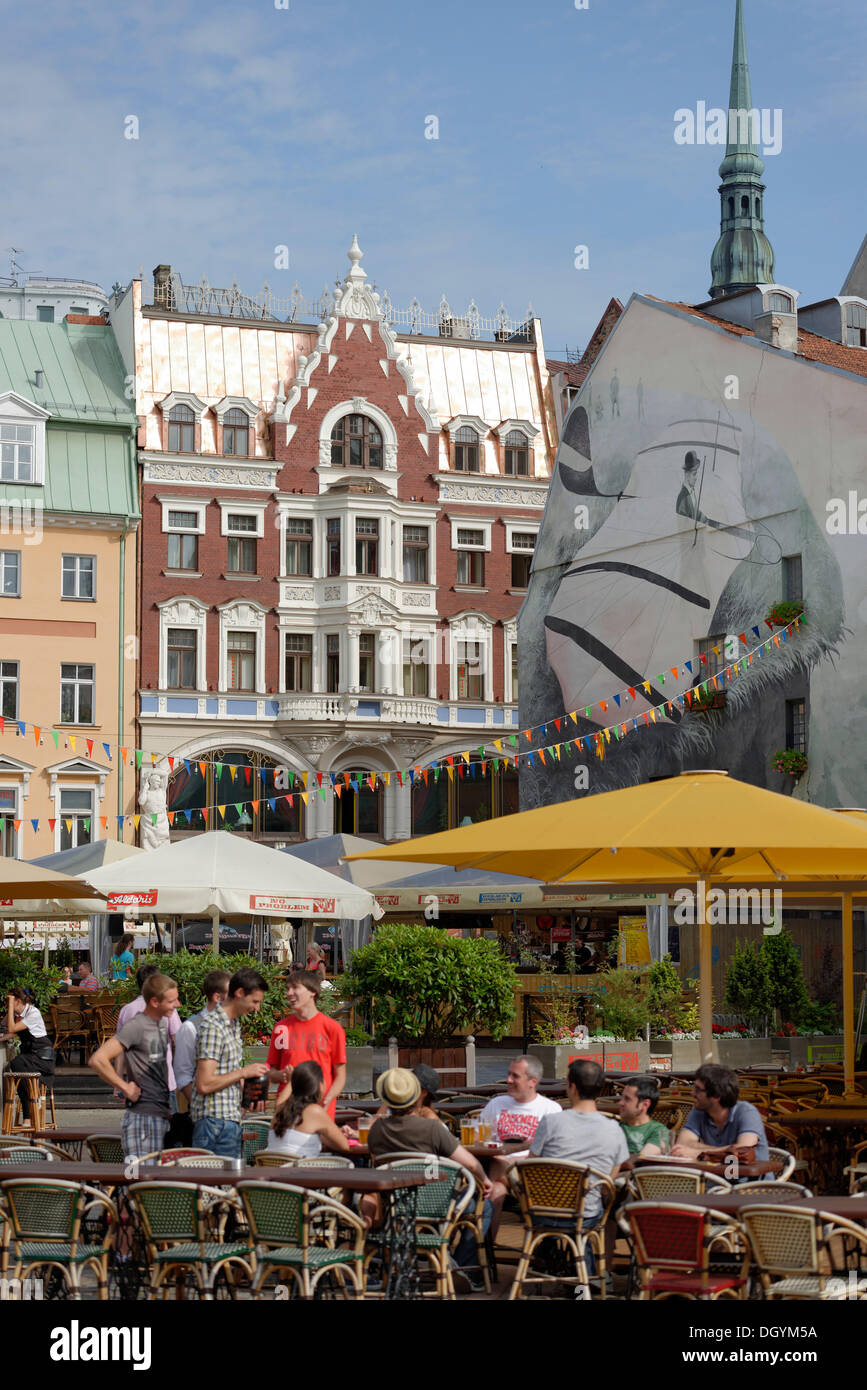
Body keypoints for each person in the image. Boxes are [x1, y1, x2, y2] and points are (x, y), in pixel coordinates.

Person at [88, 973, 180, 1161]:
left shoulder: (161, 1023)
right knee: (139, 1180)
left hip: (160, 1113)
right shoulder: (137, 1025)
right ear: (155, 1002)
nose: (177, 1004)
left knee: (155, 1181)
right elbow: (97, 1059)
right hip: (142, 1119)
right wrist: (124, 1086)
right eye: (172, 1001)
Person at [190, 967, 270, 1158]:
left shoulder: (232, 1024)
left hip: (227, 1120)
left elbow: (227, 1073)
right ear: (239, 993)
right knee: (214, 1186)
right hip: (214, 1122)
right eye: (255, 1001)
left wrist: (249, 1097)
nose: (257, 1008)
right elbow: (204, 1083)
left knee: (226, 1186)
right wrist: (244, 1072)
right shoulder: (213, 1026)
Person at [266, 970, 346, 1120]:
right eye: (287, 988)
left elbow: (340, 1076)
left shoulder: (333, 1029)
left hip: (320, 1113)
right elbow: (272, 1072)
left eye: (295, 988)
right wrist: (282, 1075)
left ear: (312, 992)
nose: (289, 993)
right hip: (286, 1113)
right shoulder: (281, 1028)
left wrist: (327, 1099)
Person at [671, 1064, 769, 1162]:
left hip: (750, 1176)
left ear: (716, 1095)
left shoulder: (746, 1112)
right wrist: (727, 1150)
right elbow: (683, 1143)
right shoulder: (699, 1110)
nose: (692, 1093)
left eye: (697, 1089)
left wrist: (698, 1153)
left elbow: (742, 1153)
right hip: (715, 1175)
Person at [117, 962, 182, 1097]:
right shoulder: (167, 1007)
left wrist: (118, 1084)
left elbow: (119, 1051)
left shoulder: (127, 1010)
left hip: (136, 1084)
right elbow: (178, 1040)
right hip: (164, 1081)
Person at [266, 1060, 355, 1159]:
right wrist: (337, 1134)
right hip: (300, 1172)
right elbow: (344, 1146)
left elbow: (299, 1134)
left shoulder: (280, 1109)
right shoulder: (315, 1111)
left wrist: (292, 1080)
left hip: (272, 1170)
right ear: (320, 1085)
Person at [477, 1055, 561, 1144]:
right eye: (508, 1074)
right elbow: (476, 1137)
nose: (508, 1080)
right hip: (498, 1156)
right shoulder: (496, 1103)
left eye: (515, 1076)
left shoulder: (550, 1109)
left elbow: (556, 1148)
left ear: (533, 1082)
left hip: (534, 1158)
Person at [3, 989, 56, 1121]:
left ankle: (32, 1105)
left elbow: (12, 1029)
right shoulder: (16, 1016)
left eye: (9, 1002)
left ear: (18, 1001)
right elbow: (9, 1032)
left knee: (16, 1064)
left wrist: (10, 1007)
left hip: (42, 1059)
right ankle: (30, 1107)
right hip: (29, 1058)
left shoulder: (33, 1012)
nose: (6, 1005)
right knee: (18, 1073)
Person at [617, 1077, 670, 1155]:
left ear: (645, 1104)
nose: (620, 1103)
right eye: (622, 1097)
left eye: (627, 1099)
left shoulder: (659, 1131)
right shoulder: (616, 1127)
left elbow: (642, 1159)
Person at [373, 1063, 442, 1121]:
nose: (408, 1086)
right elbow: (373, 1126)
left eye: (413, 1084)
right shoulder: (390, 1106)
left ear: (424, 1092)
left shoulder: (429, 1117)